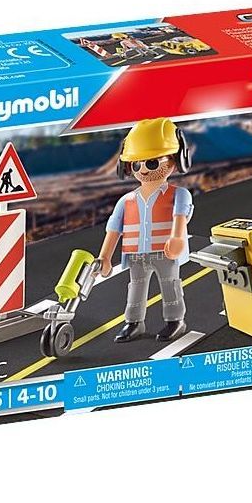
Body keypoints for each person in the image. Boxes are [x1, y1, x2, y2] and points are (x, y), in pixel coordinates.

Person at [98, 118, 193, 343]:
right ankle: (134, 322)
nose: (143, 169)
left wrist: (177, 238)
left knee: (170, 286)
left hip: (165, 252)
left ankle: (175, 321)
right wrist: (105, 257)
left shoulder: (179, 194)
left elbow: (180, 218)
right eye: (136, 164)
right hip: (135, 254)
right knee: (135, 289)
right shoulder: (126, 200)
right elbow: (114, 229)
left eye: (152, 163)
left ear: (176, 159)